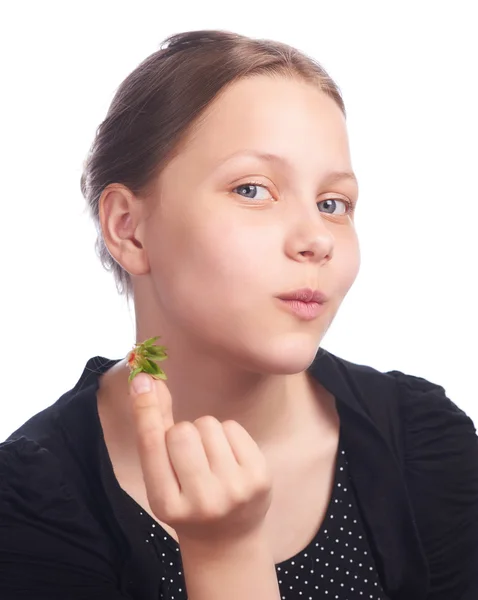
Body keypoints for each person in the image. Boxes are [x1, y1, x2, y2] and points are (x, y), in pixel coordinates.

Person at [0, 29, 476, 600]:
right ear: (128, 227)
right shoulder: (32, 496)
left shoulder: (425, 439)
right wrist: (223, 555)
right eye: (253, 189)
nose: (316, 239)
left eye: (333, 204)